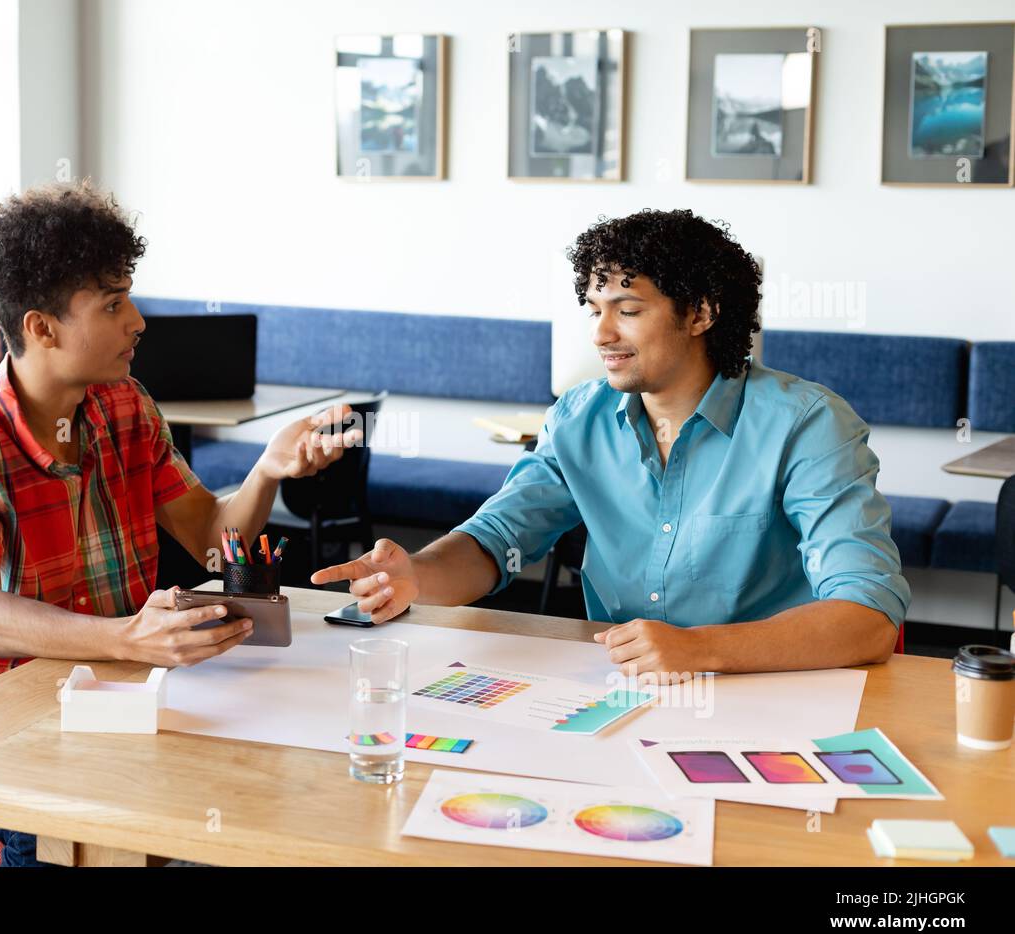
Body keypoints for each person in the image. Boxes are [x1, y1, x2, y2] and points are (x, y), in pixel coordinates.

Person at [0, 179, 359, 865]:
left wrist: (267, 471)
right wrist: (126, 638)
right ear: (41, 328)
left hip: (102, 684)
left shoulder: (123, 405)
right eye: (113, 304)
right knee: (85, 823)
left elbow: (210, 540)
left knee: (269, 778)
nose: (137, 321)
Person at [312, 209, 909, 683]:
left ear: (700, 313)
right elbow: (499, 541)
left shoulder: (807, 423)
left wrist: (698, 649)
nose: (601, 334)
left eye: (628, 310)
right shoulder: (578, 416)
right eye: (595, 310)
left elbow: (868, 619)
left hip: (776, 692)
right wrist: (417, 575)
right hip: (627, 689)